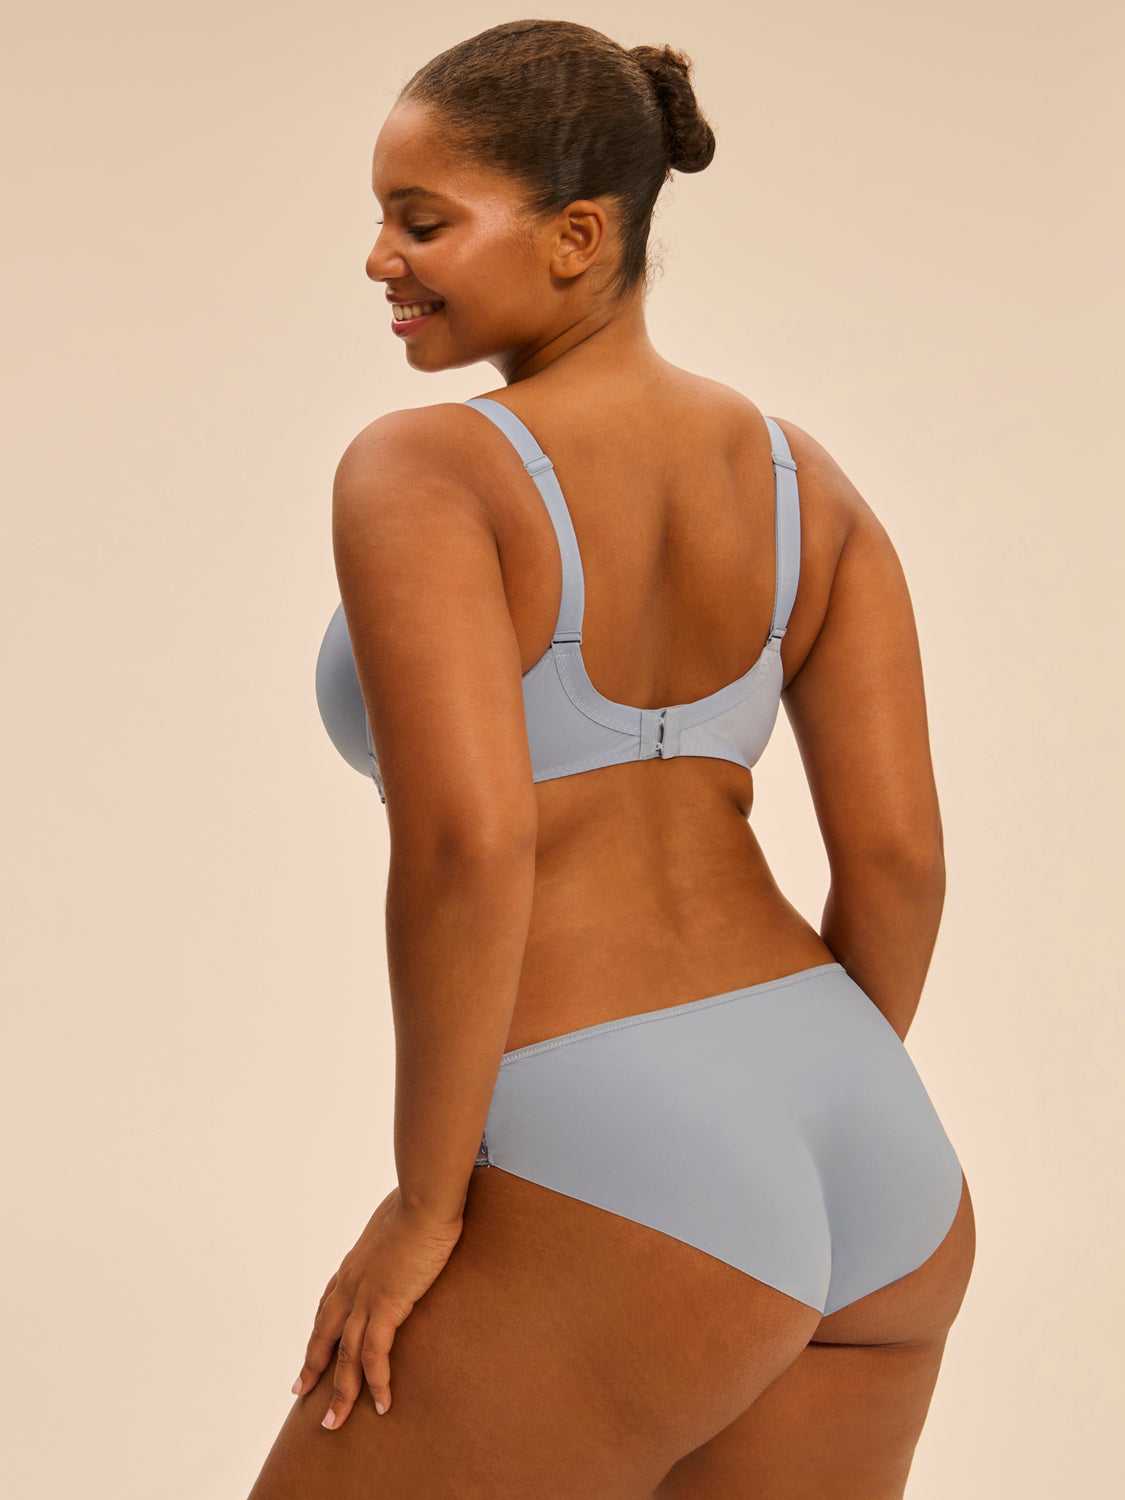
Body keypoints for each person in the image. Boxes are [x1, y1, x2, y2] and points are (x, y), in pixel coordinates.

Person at [249, 18, 976, 1498]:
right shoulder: (804, 484)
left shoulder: (428, 469)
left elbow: (469, 847)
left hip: (623, 1154)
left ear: (578, 236)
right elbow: (900, 862)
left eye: (422, 221)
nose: (380, 259)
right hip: (875, 1143)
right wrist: (796, 1120)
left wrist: (425, 1207)